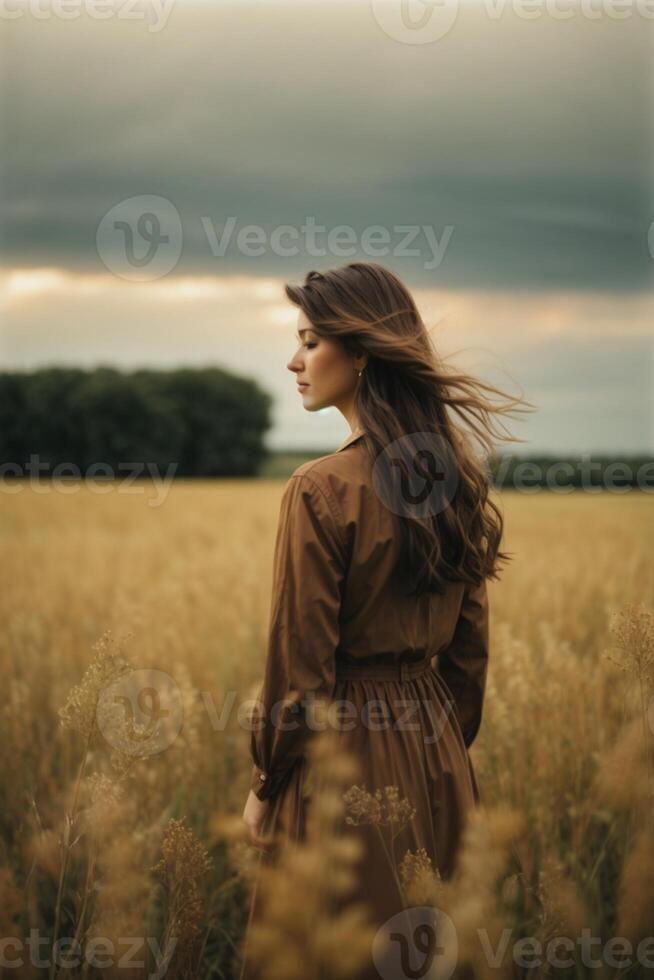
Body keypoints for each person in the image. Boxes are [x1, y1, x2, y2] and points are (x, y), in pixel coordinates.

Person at [239, 262, 532, 979]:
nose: (294, 360)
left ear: (362, 353)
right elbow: (469, 659)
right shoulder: (451, 479)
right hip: (438, 754)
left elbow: (299, 673)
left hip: (343, 760)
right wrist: (440, 759)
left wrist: (263, 784)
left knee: (330, 953)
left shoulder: (318, 489)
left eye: (310, 342)